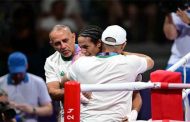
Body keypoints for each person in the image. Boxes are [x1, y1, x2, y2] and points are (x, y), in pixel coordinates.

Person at [61, 25, 154, 121]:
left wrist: (78, 89)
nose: (82, 51)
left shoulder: (80, 63)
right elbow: (149, 60)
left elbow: (63, 81)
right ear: (123, 45)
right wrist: (121, 51)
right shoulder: (131, 62)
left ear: (100, 43)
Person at [0, 52, 53, 122]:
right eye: (15, 73)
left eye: (20, 72)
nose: (18, 76)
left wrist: (32, 109)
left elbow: (49, 110)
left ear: (26, 66)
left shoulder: (38, 82)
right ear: (9, 68)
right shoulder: (1, 82)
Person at [44, 24, 80, 121]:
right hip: (68, 113)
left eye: (65, 40)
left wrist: (64, 88)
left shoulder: (88, 52)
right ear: (52, 44)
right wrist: (78, 90)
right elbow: (53, 92)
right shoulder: (51, 61)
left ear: (73, 37)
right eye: (57, 43)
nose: (63, 46)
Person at [163, 6, 190, 121]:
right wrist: (168, 15)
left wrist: (188, 22)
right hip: (178, 60)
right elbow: (171, 35)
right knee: (170, 104)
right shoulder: (178, 10)